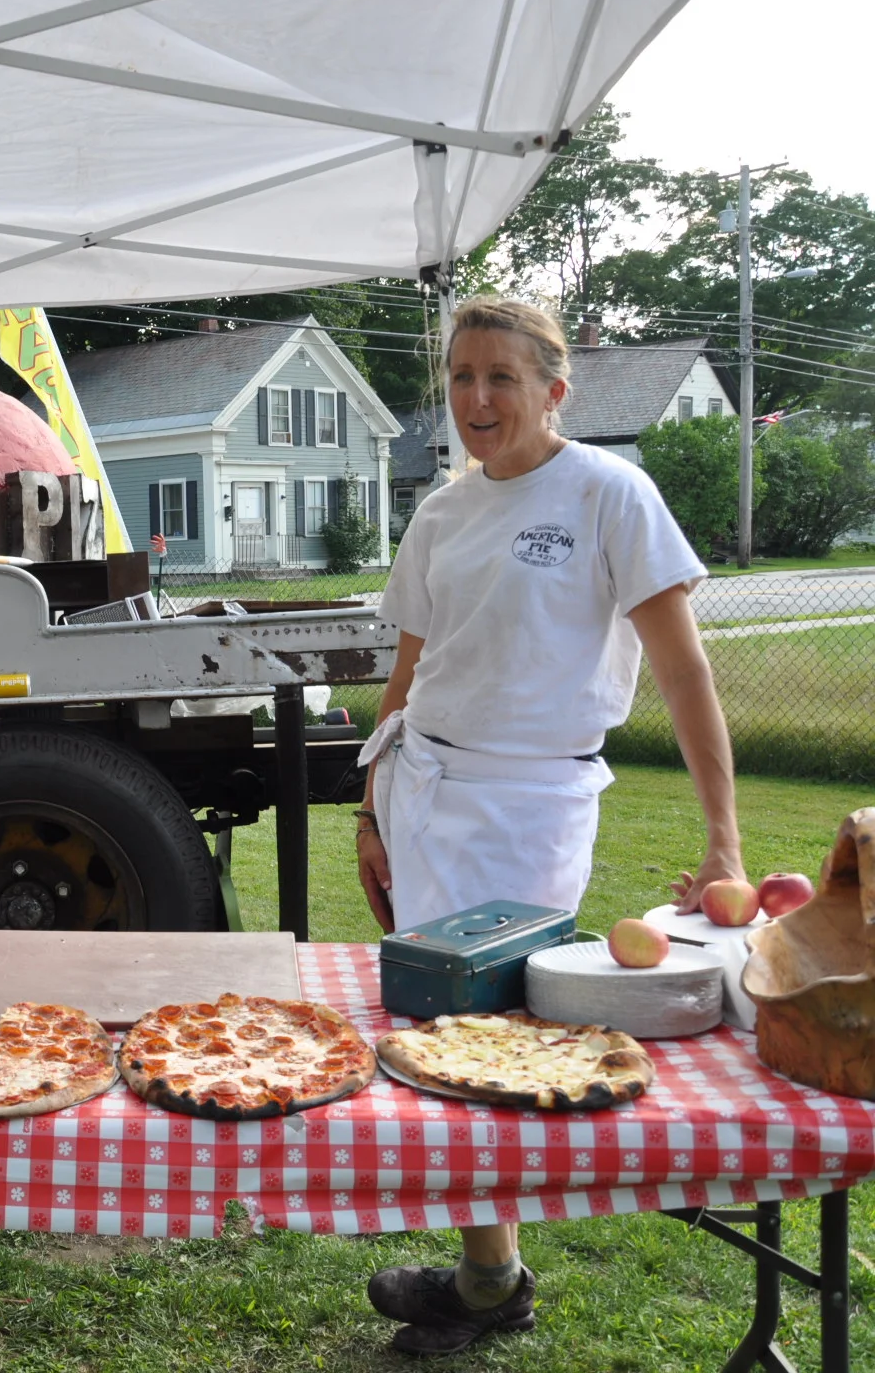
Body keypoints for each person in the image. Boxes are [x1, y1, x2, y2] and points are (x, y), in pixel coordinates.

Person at [352, 297, 743, 1357]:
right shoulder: (440, 507)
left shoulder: (609, 492)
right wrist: (371, 804)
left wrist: (724, 841)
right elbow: (409, 665)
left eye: (500, 378)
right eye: (459, 378)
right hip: (420, 783)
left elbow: (681, 668)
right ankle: (488, 1272)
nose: (476, 399)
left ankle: (489, 1281)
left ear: (552, 390)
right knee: (432, 1037)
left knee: (495, 1039)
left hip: (530, 804)